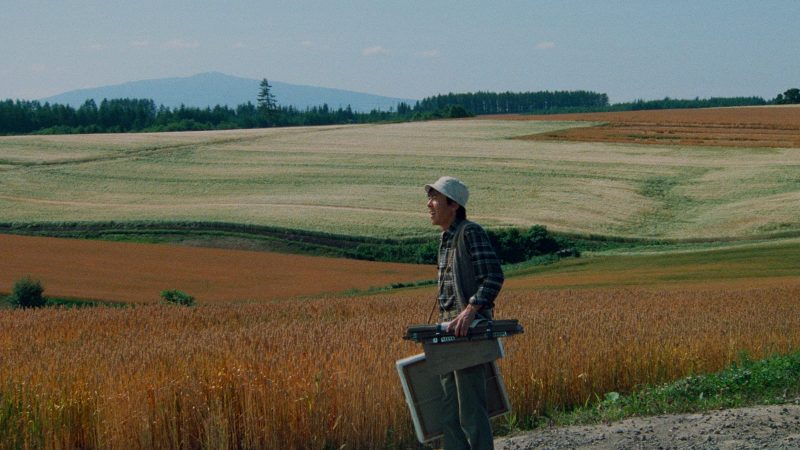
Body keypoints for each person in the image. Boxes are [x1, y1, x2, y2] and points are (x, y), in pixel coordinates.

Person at [424, 175, 504, 450]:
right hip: (448, 333)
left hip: (468, 334)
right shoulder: (445, 238)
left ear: (453, 204)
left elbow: (493, 276)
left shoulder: (470, 232)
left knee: (470, 412)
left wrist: (471, 311)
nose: (429, 204)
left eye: (435, 197)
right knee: (449, 415)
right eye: (430, 197)